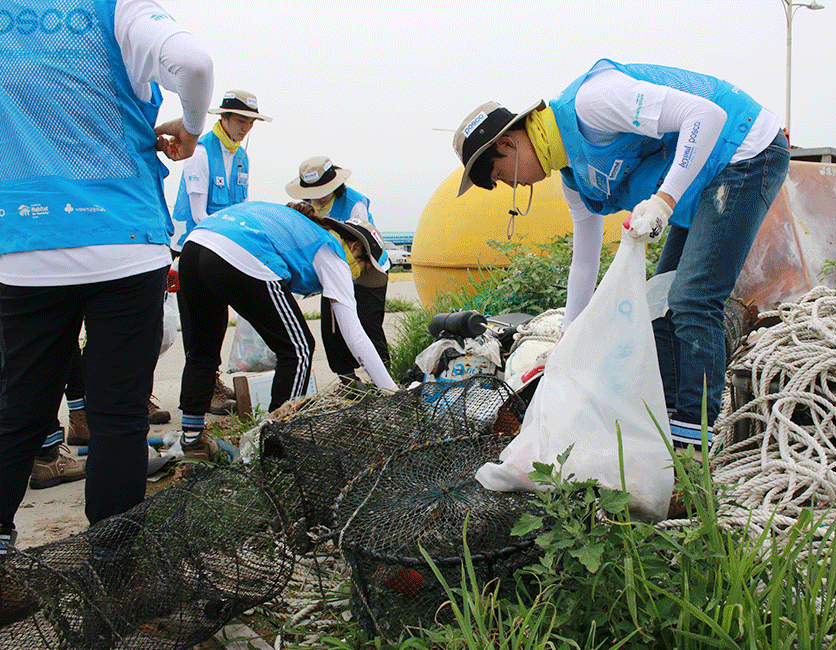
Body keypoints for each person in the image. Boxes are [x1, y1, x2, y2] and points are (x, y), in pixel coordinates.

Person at [452, 59, 790, 448]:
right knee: (661, 305)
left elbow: (706, 115)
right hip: (702, 182)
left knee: (692, 299)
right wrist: (568, 337)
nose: (510, 186)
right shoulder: (574, 177)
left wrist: (664, 201)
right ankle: (662, 429)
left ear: (507, 143)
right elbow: (584, 261)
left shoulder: (593, 102)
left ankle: (692, 447)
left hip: (744, 151)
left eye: (499, 175)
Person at [0, 0, 214, 583]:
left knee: (16, 412)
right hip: (123, 239)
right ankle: (114, 567)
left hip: (23, 242)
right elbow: (193, 63)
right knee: (119, 416)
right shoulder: (117, 8)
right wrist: (192, 129)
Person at [175, 200, 398, 460]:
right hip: (240, 250)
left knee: (202, 349)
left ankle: (192, 442)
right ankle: (274, 446)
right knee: (300, 349)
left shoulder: (303, 232)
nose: (358, 276)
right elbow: (355, 336)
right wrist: (391, 392)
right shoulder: (333, 251)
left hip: (195, 245)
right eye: (363, 267)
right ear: (356, 246)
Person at [171, 89, 272, 414]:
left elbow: (240, 207)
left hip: (220, 248)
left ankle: (211, 380)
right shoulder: (201, 152)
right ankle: (203, 390)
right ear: (224, 118)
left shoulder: (242, 157)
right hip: (192, 248)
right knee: (196, 323)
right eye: (240, 120)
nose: (245, 128)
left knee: (215, 318)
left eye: (250, 122)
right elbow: (199, 213)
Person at [285, 157, 391, 385]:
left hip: (366, 267)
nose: (319, 196)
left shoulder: (354, 203)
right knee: (332, 328)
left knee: (366, 323)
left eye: (323, 190)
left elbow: (360, 243)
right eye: (313, 191)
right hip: (334, 269)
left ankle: (382, 377)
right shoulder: (306, 208)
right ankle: (347, 379)